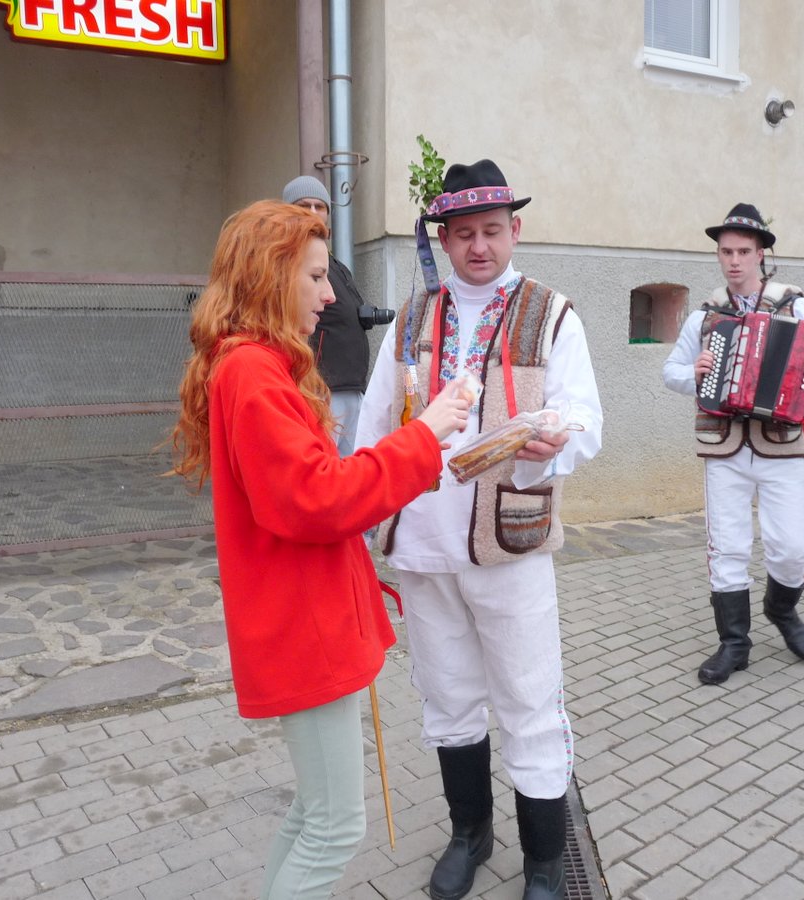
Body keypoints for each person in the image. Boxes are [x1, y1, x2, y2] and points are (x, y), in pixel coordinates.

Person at [171, 200, 470, 900]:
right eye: (313, 277)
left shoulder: (256, 366)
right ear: (269, 278)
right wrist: (423, 435)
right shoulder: (252, 372)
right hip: (300, 623)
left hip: (299, 614)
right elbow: (319, 499)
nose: (330, 295)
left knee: (314, 815)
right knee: (334, 827)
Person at [355, 159, 603, 900]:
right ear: (445, 238)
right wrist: (358, 514)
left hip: (509, 543)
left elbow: (586, 418)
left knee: (529, 701)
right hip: (421, 544)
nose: (479, 247)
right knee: (448, 696)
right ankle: (470, 834)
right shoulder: (412, 318)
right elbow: (374, 421)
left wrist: (557, 441)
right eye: (463, 234)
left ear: (514, 230)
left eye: (492, 231)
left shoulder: (551, 314)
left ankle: (544, 860)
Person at [662, 203, 804, 686]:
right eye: (726, 252)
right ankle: (734, 643)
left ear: (762, 254)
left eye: (743, 251)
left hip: (781, 444)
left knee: (792, 548)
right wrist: (694, 372)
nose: (734, 261)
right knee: (728, 547)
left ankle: (781, 609)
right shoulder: (706, 316)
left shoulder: (797, 307)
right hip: (724, 448)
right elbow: (671, 372)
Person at [282, 175, 382, 454]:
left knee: (353, 465)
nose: (313, 213)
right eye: (304, 205)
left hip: (350, 384)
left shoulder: (334, 263)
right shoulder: (285, 261)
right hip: (320, 388)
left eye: (320, 206)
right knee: (326, 465)